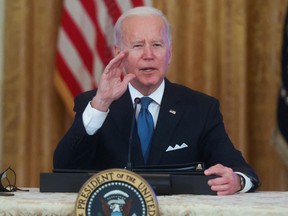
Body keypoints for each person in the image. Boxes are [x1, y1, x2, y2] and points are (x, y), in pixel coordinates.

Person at [53, 6, 260, 195]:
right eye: (137, 45)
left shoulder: (200, 108)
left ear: (169, 53)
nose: (148, 55)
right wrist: (101, 104)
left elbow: (242, 171)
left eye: (157, 45)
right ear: (119, 54)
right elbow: (63, 168)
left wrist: (237, 182)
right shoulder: (94, 104)